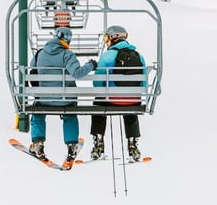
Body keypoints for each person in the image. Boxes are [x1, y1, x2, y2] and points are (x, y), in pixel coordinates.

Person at [28, 26, 97, 163]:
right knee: (70, 113)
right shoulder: (67, 55)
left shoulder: (39, 54)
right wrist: (91, 65)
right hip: (65, 99)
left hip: (44, 99)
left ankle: (38, 144)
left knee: (38, 111)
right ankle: (71, 146)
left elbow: (32, 71)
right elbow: (77, 73)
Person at [89, 25, 147, 162]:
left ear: (112, 38)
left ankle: (99, 143)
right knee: (130, 110)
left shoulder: (107, 56)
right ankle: (132, 144)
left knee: (98, 104)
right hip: (133, 100)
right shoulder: (139, 56)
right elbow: (143, 83)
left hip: (111, 100)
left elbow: (97, 82)